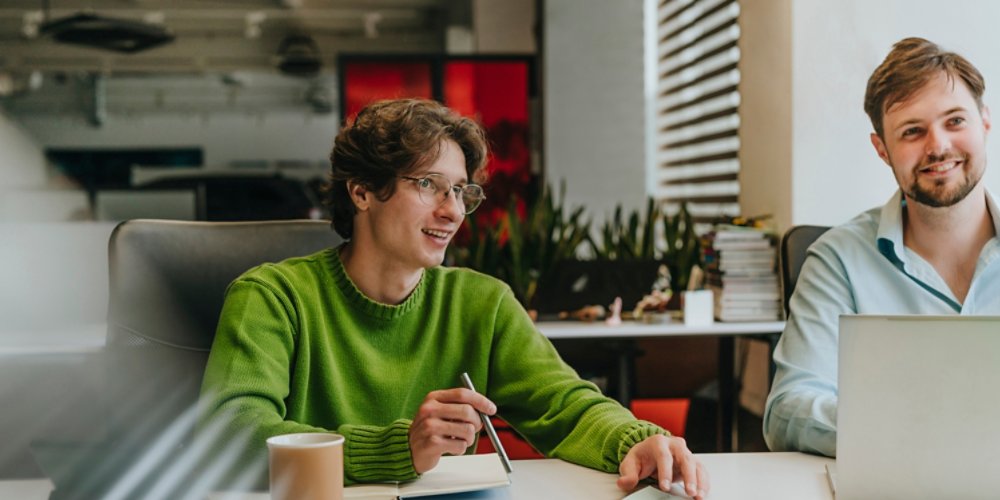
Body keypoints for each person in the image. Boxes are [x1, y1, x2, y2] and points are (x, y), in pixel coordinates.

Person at [198, 98, 708, 497]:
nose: (453, 211)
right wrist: (398, 447)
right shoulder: (272, 297)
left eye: (462, 191)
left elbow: (565, 406)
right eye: (429, 185)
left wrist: (635, 438)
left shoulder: (480, 302)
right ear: (361, 192)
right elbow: (231, 433)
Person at [764, 37, 1000, 457]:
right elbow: (788, 410)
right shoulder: (838, 259)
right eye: (912, 131)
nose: (938, 146)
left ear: (984, 122)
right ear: (882, 150)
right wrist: (926, 433)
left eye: (955, 121)